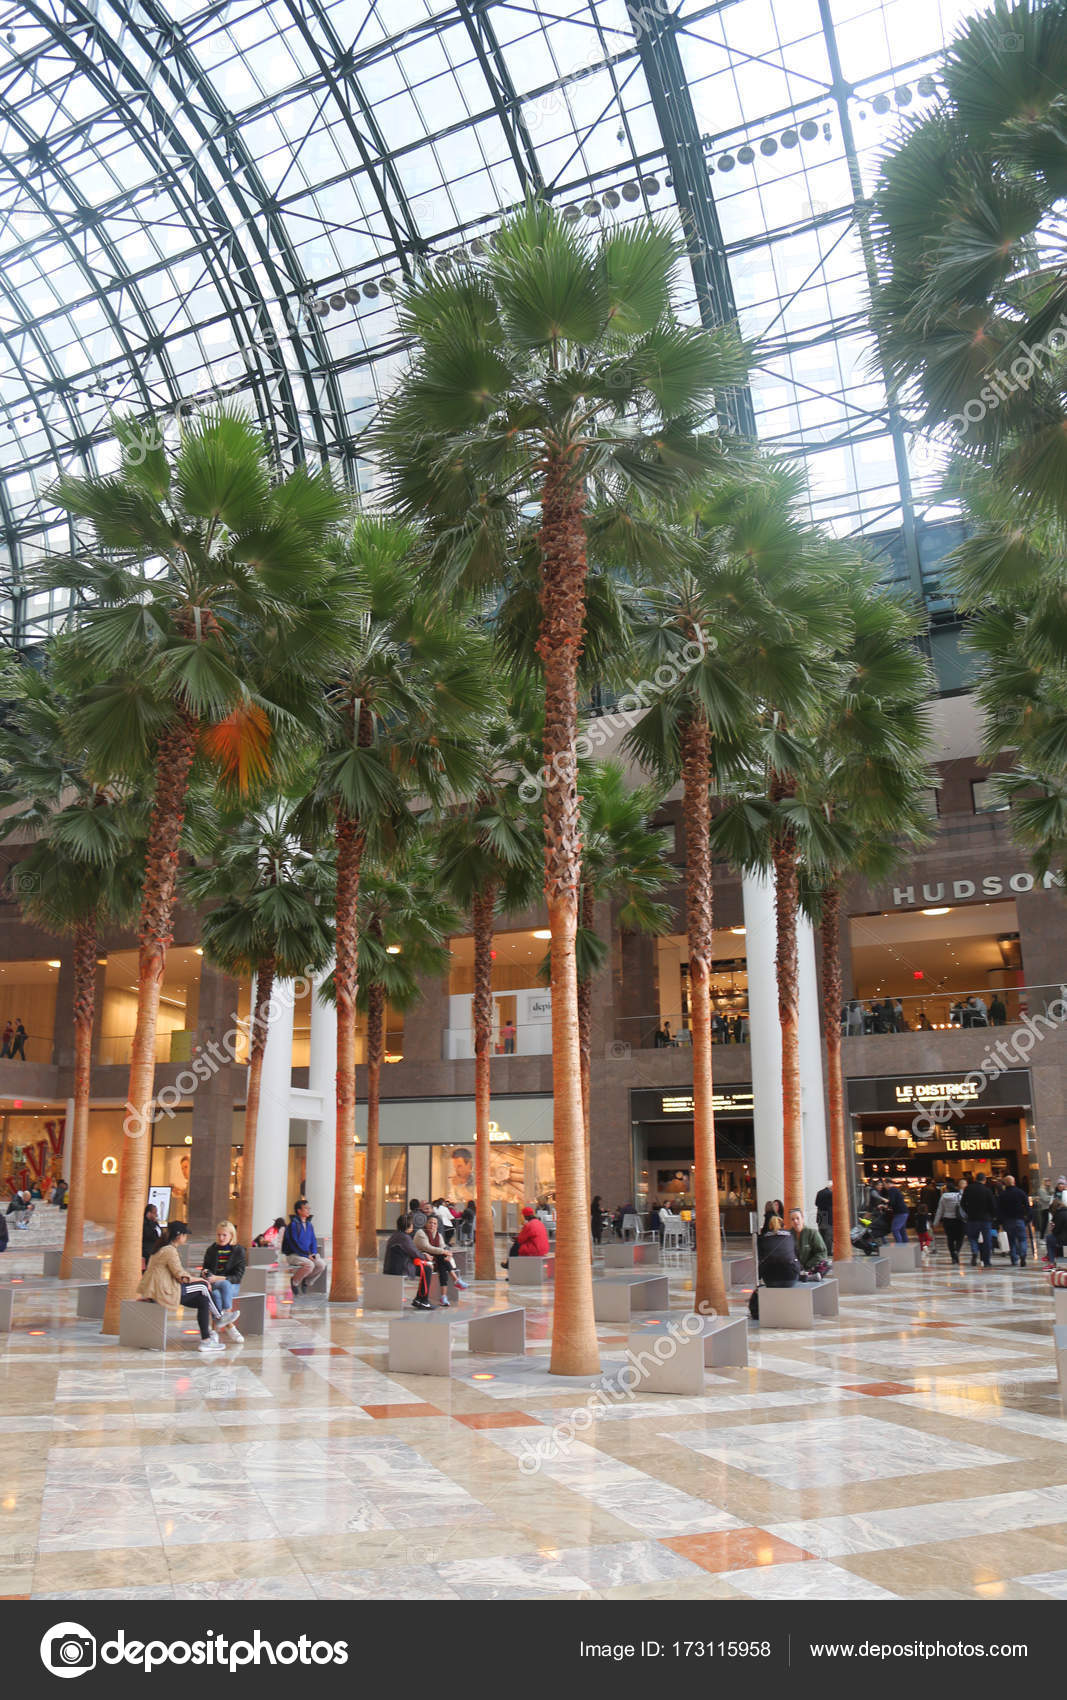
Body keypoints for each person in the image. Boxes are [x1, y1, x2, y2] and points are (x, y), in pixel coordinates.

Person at [137, 1220, 237, 1351]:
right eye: (185, 1235)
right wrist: (201, 1280)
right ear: (179, 1236)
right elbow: (181, 1275)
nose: (186, 1238)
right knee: (203, 1286)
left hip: (161, 1289)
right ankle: (219, 1317)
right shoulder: (169, 1251)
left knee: (203, 1300)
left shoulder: (162, 1249)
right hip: (165, 1291)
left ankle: (206, 1340)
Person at [200, 1220, 247, 1339]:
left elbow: (237, 1277)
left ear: (231, 1235)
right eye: (219, 1235)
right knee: (216, 1291)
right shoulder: (212, 1250)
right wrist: (207, 1273)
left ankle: (215, 1330)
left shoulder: (239, 1251)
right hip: (214, 1283)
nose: (221, 1238)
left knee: (217, 1294)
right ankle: (229, 1323)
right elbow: (205, 1268)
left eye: (224, 1235)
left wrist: (218, 1278)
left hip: (232, 1284)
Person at [414, 1211, 467, 1306]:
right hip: (421, 1260)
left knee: (442, 1261)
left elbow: (443, 1246)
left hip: (435, 1260)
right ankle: (455, 1281)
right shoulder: (421, 1233)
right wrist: (444, 1252)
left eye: (434, 1223)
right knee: (442, 1258)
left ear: (437, 1225)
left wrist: (448, 1254)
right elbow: (427, 1247)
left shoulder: (438, 1235)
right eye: (430, 1222)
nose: (432, 1225)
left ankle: (444, 1296)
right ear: (426, 1223)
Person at [383, 1213, 433, 1309]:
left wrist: (422, 1256)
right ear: (408, 1226)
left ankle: (420, 1299)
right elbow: (414, 1253)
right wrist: (425, 1257)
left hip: (392, 1266)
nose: (413, 1226)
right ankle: (423, 1300)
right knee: (427, 1269)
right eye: (412, 1224)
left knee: (425, 1268)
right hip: (399, 1268)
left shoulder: (396, 1235)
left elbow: (412, 1251)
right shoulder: (404, 1237)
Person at [282, 1200, 327, 1295]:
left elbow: (313, 1240)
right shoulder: (293, 1225)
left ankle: (306, 1282)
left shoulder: (309, 1225)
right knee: (309, 1265)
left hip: (307, 1255)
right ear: (299, 1211)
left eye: (308, 1208)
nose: (308, 1210)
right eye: (306, 1208)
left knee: (321, 1265)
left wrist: (313, 1253)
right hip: (293, 1255)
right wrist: (307, 1255)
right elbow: (294, 1243)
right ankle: (294, 1282)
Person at [961, 1172, 997, 1268]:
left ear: (975, 1179)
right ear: (984, 1180)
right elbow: (992, 1205)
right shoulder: (987, 1190)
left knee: (972, 1237)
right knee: (987, 1240)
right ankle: (986, 1261)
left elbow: (962, 1203)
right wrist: (993, 1216)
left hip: (972, 1218)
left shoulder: (968, 1189)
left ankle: (974, 1250)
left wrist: (968, 1211)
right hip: (985, 1219)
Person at [996, 1174, 1030, 1267]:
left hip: (1007, 1221)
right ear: (1014, 1182)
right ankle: (1023, 1255)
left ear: (1005, 1184)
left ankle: (1014, 1259)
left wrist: (1000, 1222)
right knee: (1022, 1239)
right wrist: (1027, 1218)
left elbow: (999, 1209)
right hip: (1019, 1219)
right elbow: (1027, 1206)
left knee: (1011, 1240)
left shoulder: (1002, 1195)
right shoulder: (1020, 1192)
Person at [789, 1208, 829, 1278]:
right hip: (794, 1271)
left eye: (797, 1218)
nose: (795, 1221)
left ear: (802, 1219)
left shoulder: (812, 1233)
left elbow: (822, 1252)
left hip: (811, 1270)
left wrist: (808, 1265)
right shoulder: (788, 1235)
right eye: (792, 1219)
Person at [933, 1181, 966, 1266]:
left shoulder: (943, 1197)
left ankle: (952, 1256)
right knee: (960, 1237)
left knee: (950, 1238)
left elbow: (940, 1210)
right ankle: (957, 1251)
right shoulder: (959, 1196)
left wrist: (936, 1222)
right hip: (959, 1220)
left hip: (947, 1220)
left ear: (947, 1189)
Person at [141, 1204, 164, 1269]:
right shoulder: (145, 1223)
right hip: (148, 1250)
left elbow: (160, 1233)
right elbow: (149, 1234)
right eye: (154, 1213)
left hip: (156, 1249)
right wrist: (152, 1223)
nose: (156, 1215)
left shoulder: (155, 1223)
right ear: (148, 1213)